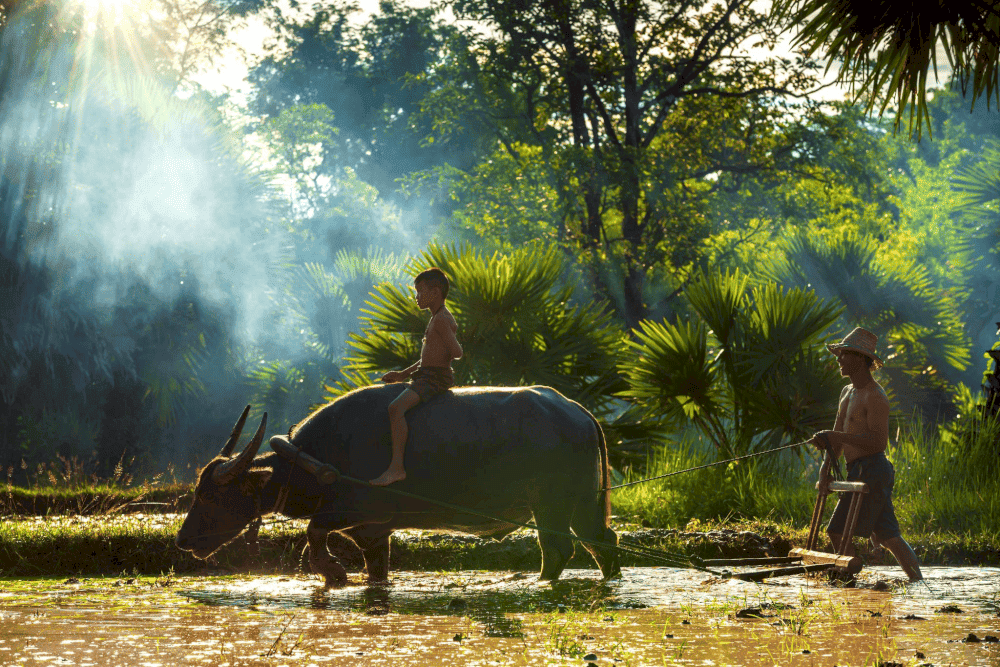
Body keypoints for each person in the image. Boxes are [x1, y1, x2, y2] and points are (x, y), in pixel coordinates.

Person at [808, 327, 923, 582]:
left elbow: (878, 443)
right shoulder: (846, 392)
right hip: (858, 470)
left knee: (837, 531)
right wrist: (825, 467)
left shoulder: (875, 396)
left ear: (860, 359)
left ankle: (847, 581)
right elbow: (836, 437)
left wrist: (836, 436)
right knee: (888, 536)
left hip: (872, 470)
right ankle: (918, 584)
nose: (839, 359)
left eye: (844, 354)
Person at [370, 267, 463, 486]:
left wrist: (444, 358)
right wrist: (403, 374)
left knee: (395, 408)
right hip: (427, 375)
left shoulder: (441, 319)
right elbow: (428, 358)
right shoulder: (436, 318)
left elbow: (457, 352)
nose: (417, 297)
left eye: (420, 291)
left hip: (434, 379)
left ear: (435, 292)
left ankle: (397, 468)